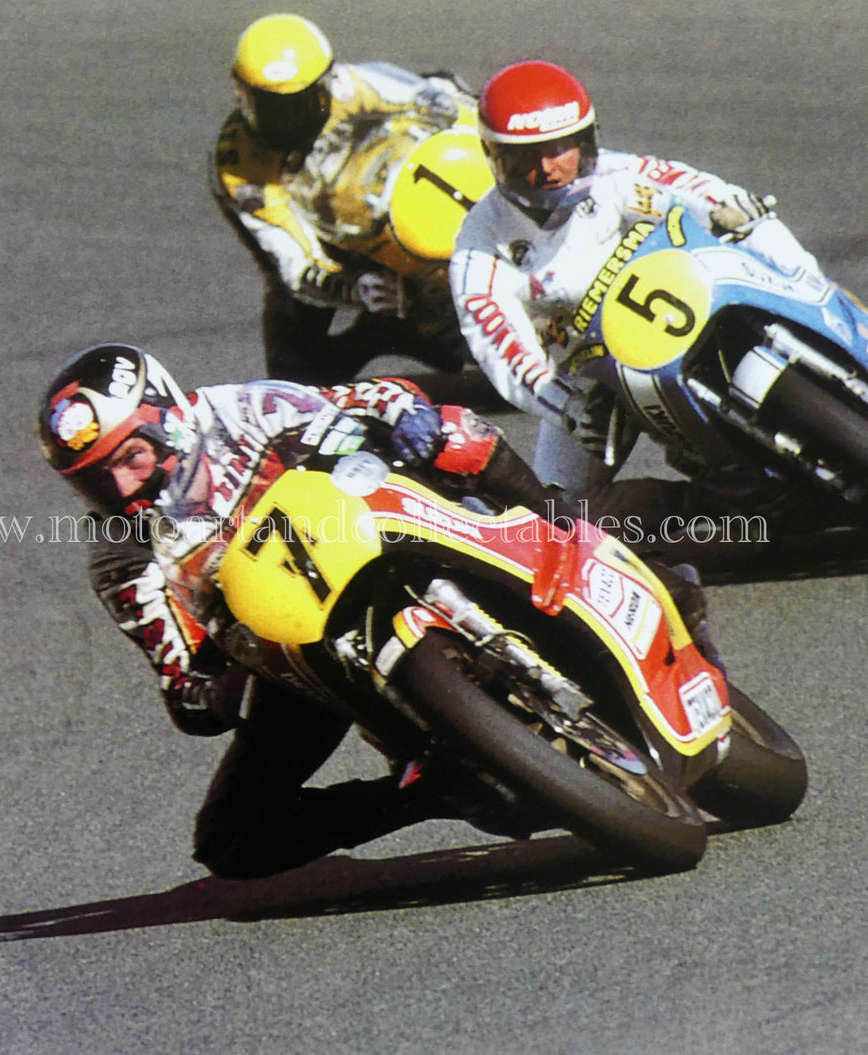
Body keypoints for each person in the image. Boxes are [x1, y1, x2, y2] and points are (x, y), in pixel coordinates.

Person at [38, 342, 717, 879]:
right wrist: (205, 688)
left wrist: (395, 418)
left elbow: (367, 399)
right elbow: (180, 677)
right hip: (290, 649)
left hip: (377, 537)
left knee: (454, 434)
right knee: (231, 843)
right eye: (98, 479)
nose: (123, 486)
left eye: (130, 457)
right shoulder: (120, 555)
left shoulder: (238, 411)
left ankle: (574, 535)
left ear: (165, 416)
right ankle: (434, 789)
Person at [448, 58, 868, 535]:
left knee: (757, 229)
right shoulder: (479, 248)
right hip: (595, 382)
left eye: (561, 147)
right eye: (524, 156)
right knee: (553, 522)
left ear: (586, 140)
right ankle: (723, 519)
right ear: (494, 157)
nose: (548, 169)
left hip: (691, 301)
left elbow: (688, 187)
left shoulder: (615, 178)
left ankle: (849, 322)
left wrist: (731, 210)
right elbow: (503, 348)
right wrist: (563, 406)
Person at [210, 13, 491, 385]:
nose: (285, 121)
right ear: (240, 93)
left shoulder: (369, 85)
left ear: (328, 82)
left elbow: (464, 114)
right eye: (266, 106)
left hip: (418, 221)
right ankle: (376, 331)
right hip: (336, 249)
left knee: (479, 355)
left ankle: (436, 326)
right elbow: (293, 263)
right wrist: (355, 288)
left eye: (298, 104)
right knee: (294, 382)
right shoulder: (240, 166)